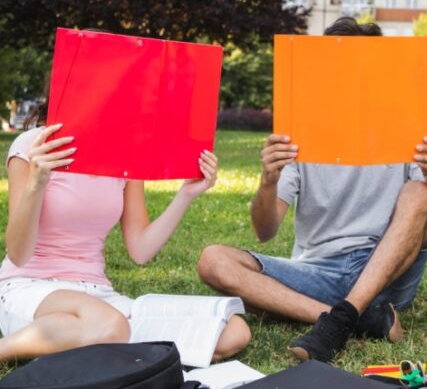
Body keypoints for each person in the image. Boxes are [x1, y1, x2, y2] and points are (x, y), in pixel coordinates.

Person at [198, 16, 427, 363]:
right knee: (212, 260)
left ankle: (338, 317)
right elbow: (265, 231)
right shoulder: (300, 134)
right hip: (318, 272)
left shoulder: (403, 129)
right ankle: (354, 318)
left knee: (421, 192)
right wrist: (268, 180)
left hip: (386, 269)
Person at [0, 107, 251, 363]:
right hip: (30, 286)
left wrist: (186, 194)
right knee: (108, 325)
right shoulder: (33, 145)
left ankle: (87, 341)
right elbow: (18, 254)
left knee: (232, 332)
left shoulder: (124, 155)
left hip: (98, 296)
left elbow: (141, 249)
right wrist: (36, 183)